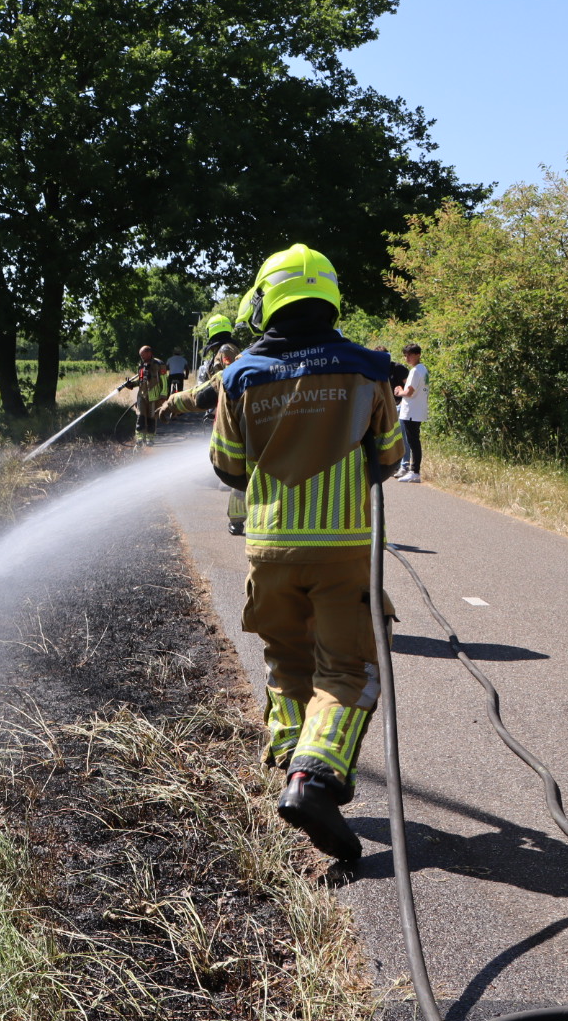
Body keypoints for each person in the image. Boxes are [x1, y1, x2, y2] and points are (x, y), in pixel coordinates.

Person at [210, 244, 403, 863]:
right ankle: (314, 782)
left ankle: (293, 763)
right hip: (343, 548)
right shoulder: (369, 369)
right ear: (330, 297)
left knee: (288, 664)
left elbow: (229, 468)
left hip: (268, 549)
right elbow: (392, 457)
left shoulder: (238, 375)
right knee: (347, 670)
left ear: (265, 301)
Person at [160, 342, 247, 534]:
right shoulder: (320, 362)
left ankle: (237, 520)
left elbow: (201, 394)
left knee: (243, 467)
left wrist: (172, 403)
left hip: (241, 430)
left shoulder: (243, 366)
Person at [121, 344, 168, 446]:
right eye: (140, 355)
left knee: (152, 417)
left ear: (149, 353)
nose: (141, 356)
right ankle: (140, 438)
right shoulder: (141, 365)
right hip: (142, 396)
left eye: (142, 354)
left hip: (154, 396)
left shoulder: (159, 364)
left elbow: (164, 380)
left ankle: (150, 439)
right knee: (140, 417)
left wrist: (163, 395)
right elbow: (141, 381)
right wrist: (131, 385)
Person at [394, 343, 428, 483]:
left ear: (418, 355)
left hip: (411, 411)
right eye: (405, 355)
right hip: (417, 409)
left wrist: (399, 392)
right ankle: (413, 471)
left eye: (410, 354)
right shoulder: (423, 369)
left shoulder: (415, 371)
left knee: (412, 441)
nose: (407, 357)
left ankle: (414, 471)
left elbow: (409, 392)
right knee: (413, 440)